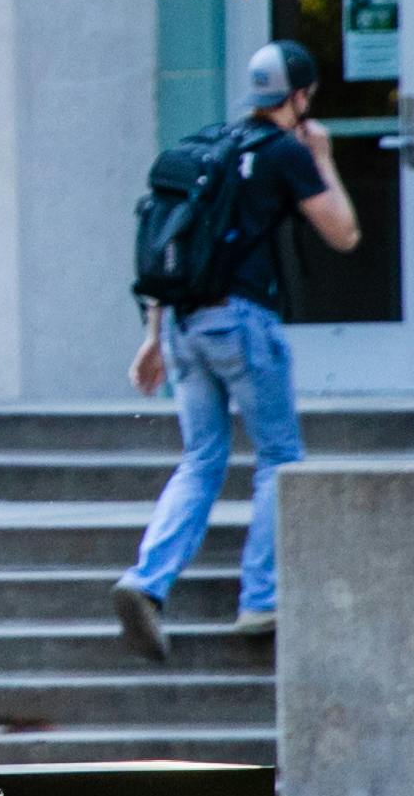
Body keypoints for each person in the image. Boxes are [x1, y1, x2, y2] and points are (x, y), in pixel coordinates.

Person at [115, 42, 361, 652]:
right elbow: (344, 234)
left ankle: (146, 582)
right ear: (299, 97)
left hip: (182, 325)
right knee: (279, 456)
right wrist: (324, 160)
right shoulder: (283, 153)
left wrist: (152, 337)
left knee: (201, 459)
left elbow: (175, 242)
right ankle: (260, 600)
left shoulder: (212, 147)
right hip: (242, 323)